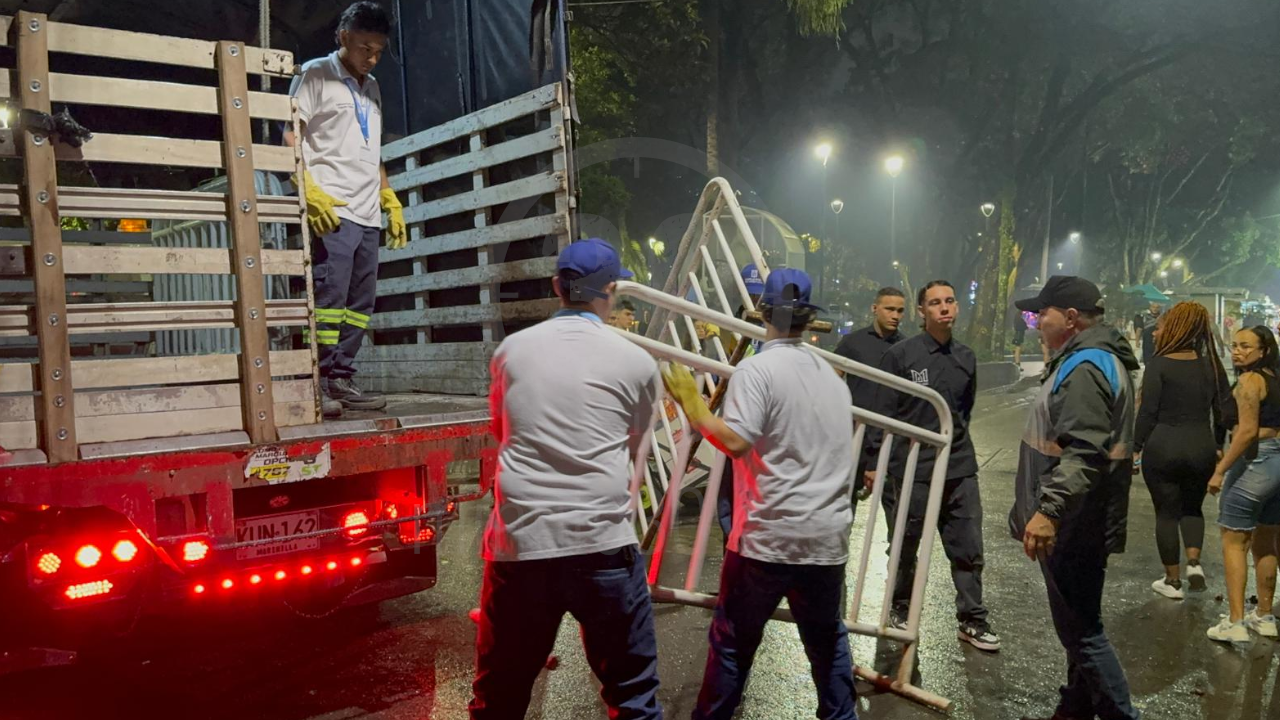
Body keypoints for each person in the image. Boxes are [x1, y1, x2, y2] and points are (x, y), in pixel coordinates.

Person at [469, 238, 664, 719]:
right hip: (602, 542)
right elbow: (636, 446)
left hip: (523, 545)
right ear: (611, 291)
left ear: (557, 285)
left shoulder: (511, 351)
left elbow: (502, 431)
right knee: (633, 697)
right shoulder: (637, 361)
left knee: (500, 698)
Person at [663, 268, 858, 720]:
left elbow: (735, 441)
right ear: (810, 320)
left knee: (732, 644)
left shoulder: (757, 369)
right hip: (826, 540)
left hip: (767, 541)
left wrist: (691, 402)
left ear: (764, 312)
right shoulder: (832, 377)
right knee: (827, 646)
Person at [1010, 276, 1140, 720]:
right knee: (1078, 624)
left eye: (1041, 313)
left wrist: (1048, 510)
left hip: (1074, 521)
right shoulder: (1093, 360)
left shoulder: (1085, 367)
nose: (1036, 322)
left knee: (1082, 631)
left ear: (1069, 318)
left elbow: (1084, 452)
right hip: (1083, 516)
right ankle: (1075, 710)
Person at [285, 2, 405, 417]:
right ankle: (315, 381)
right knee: (328, 299)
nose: (371, 58)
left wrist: (389, 198)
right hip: (332, 208)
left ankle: (341, 377)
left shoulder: (372, 87)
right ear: (343, 38)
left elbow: (373, 150)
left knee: (360, 304)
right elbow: (290, 136)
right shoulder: (316, 74)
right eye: (364, 48)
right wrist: (307, 189)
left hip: (367, 212)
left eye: (378, 51)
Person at [870, 280, 998, 651]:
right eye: (935, 303)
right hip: (912, 470)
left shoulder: (967, 357)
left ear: (957, 307)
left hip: (958, 467)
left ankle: (972, 619)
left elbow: (964, 412)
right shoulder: (902, 356)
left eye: (950, 301)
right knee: (906, 544)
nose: (944, 308)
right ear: (922, 311)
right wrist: (877, 462)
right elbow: (884, 411)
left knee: (968, 546)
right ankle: (899, 610)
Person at [1133, 302, 1233, 601]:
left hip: (1163, 444)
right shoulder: (1211, 366)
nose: (1157, 332)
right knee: (1192, 508)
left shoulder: (1159, 365)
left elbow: (1148, 412)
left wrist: (1135, 448)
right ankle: (1194, 563)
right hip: (1200, 444)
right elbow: (1223, 412)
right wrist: (1216, 446)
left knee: (1166, 513)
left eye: (1161, 327)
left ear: (1174, 329)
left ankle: (1172, 581)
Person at [1205, 326, 1280, 643]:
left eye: (1245, 346)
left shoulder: (1251, 381)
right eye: (1234, 345)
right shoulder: (1276, 379)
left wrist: (1220, 470)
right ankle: (1264, 615)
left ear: (1263, 350)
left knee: (1234, 541)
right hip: (1278, 463)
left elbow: (1246, 431)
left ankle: (1235, 621)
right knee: (1266, 539)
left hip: (1255, 461)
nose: (1237, 351)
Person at [833, 287, 905, 511]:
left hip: (891, 439)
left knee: (899, 515)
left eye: (900, 311)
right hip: (855, 436)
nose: (895, 316)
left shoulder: (907, 347)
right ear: (875, 309)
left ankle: (898, 547)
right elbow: (832, 379)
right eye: (889, 309)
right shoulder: (852, 342)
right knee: (843, 510)